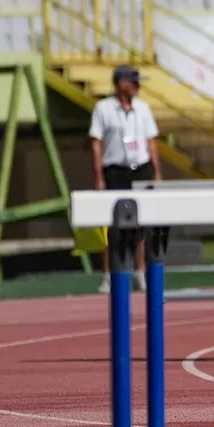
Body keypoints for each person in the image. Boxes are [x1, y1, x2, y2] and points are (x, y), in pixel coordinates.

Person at [89, 65, 161, 293]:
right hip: (116, 170)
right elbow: (96, 143)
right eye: (134, 81)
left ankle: (139, 273)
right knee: (113, 225)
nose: (138, 86)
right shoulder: (103, 109)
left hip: (139, 168)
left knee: (141, 225)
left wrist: (156, 172)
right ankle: (109, 276)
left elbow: (151, 142)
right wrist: (99, 177)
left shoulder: (143, 108)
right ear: (122, 84)